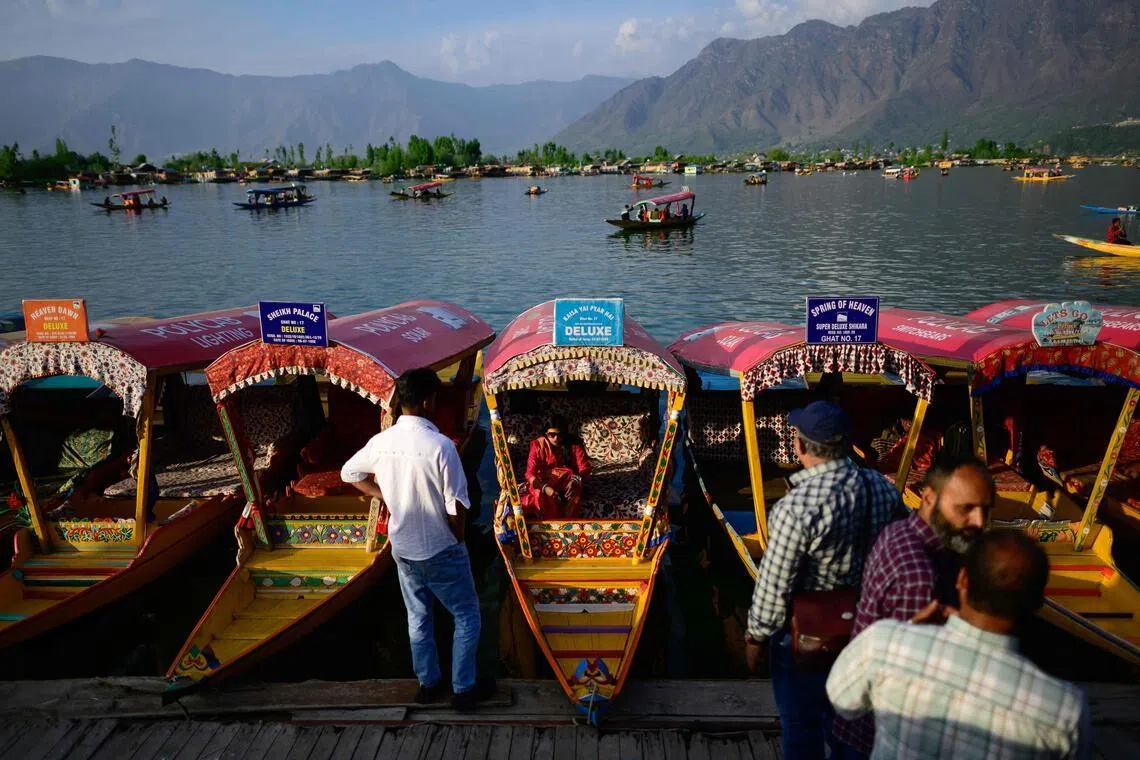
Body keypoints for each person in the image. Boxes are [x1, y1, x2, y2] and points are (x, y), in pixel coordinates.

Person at [827, 531, 1091, 759]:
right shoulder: (1064, 709)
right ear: (1037, 603)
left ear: (962, 580)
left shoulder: (885, 642)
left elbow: (842, 701)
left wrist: (907, 632)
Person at [745, 400, 906, 760]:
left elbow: (775, 586)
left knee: (802, 726)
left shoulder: (795, 507)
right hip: (864, 625)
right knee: (852, 725)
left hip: (807, 634)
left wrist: (755, 635)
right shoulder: (880, 488)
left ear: (800, 446)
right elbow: (903, 543)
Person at [340, 368, 487, 710]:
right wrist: (459, 539)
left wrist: (385, 495)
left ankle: (428, 684)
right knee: (466, 615)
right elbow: (458, 504)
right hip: (440, 546)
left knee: (418, 616)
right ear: (426, 401)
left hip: (403, 549)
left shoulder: (382, 442)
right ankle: (463, 689)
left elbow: (350, 473)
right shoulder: (441, 447)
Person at [831, 452, 995, 758]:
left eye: (985, 510)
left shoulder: (902, 530)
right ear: (929, 498)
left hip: (858, 723)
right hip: (880, 736)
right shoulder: (920, 578)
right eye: (966, 509)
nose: (979, 522)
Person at [523, 414, 591, 519]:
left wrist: (577, 480)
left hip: (568, 481)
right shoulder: (538, 445)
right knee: (544, 497)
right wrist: (545, 488)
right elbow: (529, 473)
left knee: (575, 493)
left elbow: (584, 468)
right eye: (551, 434)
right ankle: (552, 529)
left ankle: (569, 528)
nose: (556, 438)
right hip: (543, 482)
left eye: (560, 435)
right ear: (546, 433)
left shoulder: (574, 443)